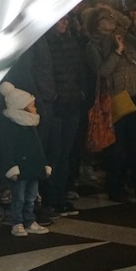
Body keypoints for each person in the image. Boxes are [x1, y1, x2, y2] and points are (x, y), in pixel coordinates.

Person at [83, 4, 136, 202]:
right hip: (115, 97)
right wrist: (117, 52)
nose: (110, 19)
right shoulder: (93, 45)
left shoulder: (126, 36)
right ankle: (116, 187)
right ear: (96, 24)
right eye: (104, 17)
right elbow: (102, 71)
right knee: (117, 146)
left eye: (111, 15)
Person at [0, 82, 52, 237]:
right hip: (22, 169)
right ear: (21, 108)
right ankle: (18, 222)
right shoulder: (13, 127)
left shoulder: (30, 125)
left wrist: (43, 164)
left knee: (30, 197)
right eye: (32, 106)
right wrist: (11, 166)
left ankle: (28, 220)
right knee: (19, 197)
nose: (35, 109)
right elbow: (8, 149)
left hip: (31, 167)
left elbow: (37, 149)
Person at [42, 14, 84, 214]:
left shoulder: (70, 42)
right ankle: (50, 198)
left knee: (64, 154)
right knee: (54, 153)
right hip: (56, 105)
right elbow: (45, 73)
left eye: (66, 19)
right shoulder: (46, 44)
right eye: (60, 19)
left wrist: (80, 93)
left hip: (71, 103)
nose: (64, 22)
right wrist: (53, 96)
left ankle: (59, 196)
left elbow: (78, 70)